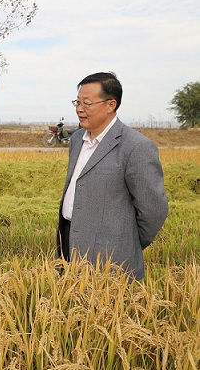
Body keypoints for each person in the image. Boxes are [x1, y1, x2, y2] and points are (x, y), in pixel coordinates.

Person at [57, 72, 168, 280]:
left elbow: (153, 209)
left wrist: (127, 240)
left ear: (110, 105)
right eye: (77, 102)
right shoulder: (77, 139)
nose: (79, 109)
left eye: (87, 103)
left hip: (110, 257)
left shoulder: (136, 147)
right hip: (69, 243)